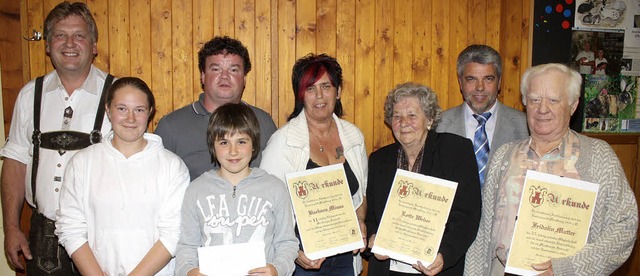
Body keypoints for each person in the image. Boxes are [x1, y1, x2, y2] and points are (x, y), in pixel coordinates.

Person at [464, 63, 638, 275]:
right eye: (535, 100)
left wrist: (567, 268)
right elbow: (483, 230)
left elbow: (624, 225)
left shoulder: (598, 157)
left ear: (573, 105)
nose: (542, 109)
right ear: (525, 103)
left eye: (553, 100)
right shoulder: (504, 156)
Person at [0, 2, 113, 274]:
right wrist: (11, 229)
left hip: (100, 233)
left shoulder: (117, 94)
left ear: (94, 46)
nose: (70, 43)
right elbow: (15, 163)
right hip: (44, 235)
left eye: (79, 35)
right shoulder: (30, 94)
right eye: (60, 35)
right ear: (48, 45)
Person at [55, 77, 190, 275]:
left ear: (150, 112)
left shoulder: (172, 166)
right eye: (122, 109)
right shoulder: (82, 163)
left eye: (139, 110)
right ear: (108, 110)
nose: (130, 119)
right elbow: (70, 226)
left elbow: (173, 232)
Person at [260, 53, 368, 275]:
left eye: (326, 86)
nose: (319, 95)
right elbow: (266, 207)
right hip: (302, 255)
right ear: (301, 95)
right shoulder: (284, 141)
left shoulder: (353, 137)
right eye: (310, 88)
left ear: (338, 91)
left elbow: (361, 194)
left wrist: (360, 221)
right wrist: (292, 251)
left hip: (345, 254)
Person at [366, 82, 481, 275]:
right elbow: (371, 217)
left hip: (435, 267)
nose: (403, 123)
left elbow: (467, 215)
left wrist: (445, 254)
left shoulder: (456, 151)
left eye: (412, 115)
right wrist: (373, 238)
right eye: (396, 116)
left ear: (429, 119)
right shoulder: (379, 160)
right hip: (389, 270)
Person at [175, 103, 298, 276]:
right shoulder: (196, 190)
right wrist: (189, 271)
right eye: (224, 142)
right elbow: (186, 247)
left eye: (241, 141)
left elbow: (287, 243)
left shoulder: (275, 188)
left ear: (254, 144)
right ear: (213, 146)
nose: (233, 151)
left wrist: (277, 269)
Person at [155, 36, 277, 180]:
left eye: (233, 70)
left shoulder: (264, 122)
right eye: (216, 69)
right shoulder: (171, 127)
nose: (224, 76)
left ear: (244, 78)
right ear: (203, 76)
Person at [437, 44, 528, 186]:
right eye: (471, 79)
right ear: (460, 83)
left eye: (488, 79)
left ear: (499, 82)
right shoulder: (439, 125)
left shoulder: (525, 126)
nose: (480, 87)